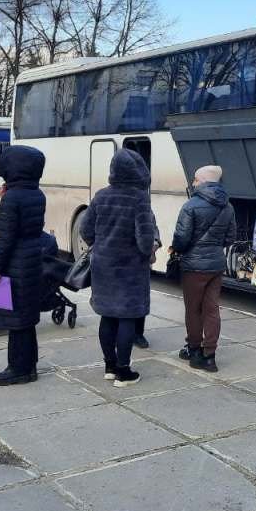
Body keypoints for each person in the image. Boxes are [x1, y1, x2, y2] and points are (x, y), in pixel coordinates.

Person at [80, 149, 158, 388]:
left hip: (104, 264)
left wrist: (101, 244)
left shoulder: (101, 196)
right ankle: (124, 372)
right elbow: (145, 240)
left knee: (108, 315)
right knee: (127, 317)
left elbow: (85, 230)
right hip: (131, 267)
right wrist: (149, 251)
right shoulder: (139, 199)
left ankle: (109, 367)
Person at [0, 146, 47, 386]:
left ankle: (18, 369)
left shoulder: (12, 197)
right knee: (28, 317)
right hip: (33, 257)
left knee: (17, 319)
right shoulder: (37, 193)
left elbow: (5, 237)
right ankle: (29, 366)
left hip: (16, 261)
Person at [171, 165, 237, 372]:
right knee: (211, 310)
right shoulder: (228, 207)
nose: (193, 183)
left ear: (202, 181)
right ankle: (210, 356)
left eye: (195, 180)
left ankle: (194, 351)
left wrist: (178, 250)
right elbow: (230, 238)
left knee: (193, 310)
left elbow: (181, 240)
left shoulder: (191, 206)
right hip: (216, 265)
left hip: (193, 267)